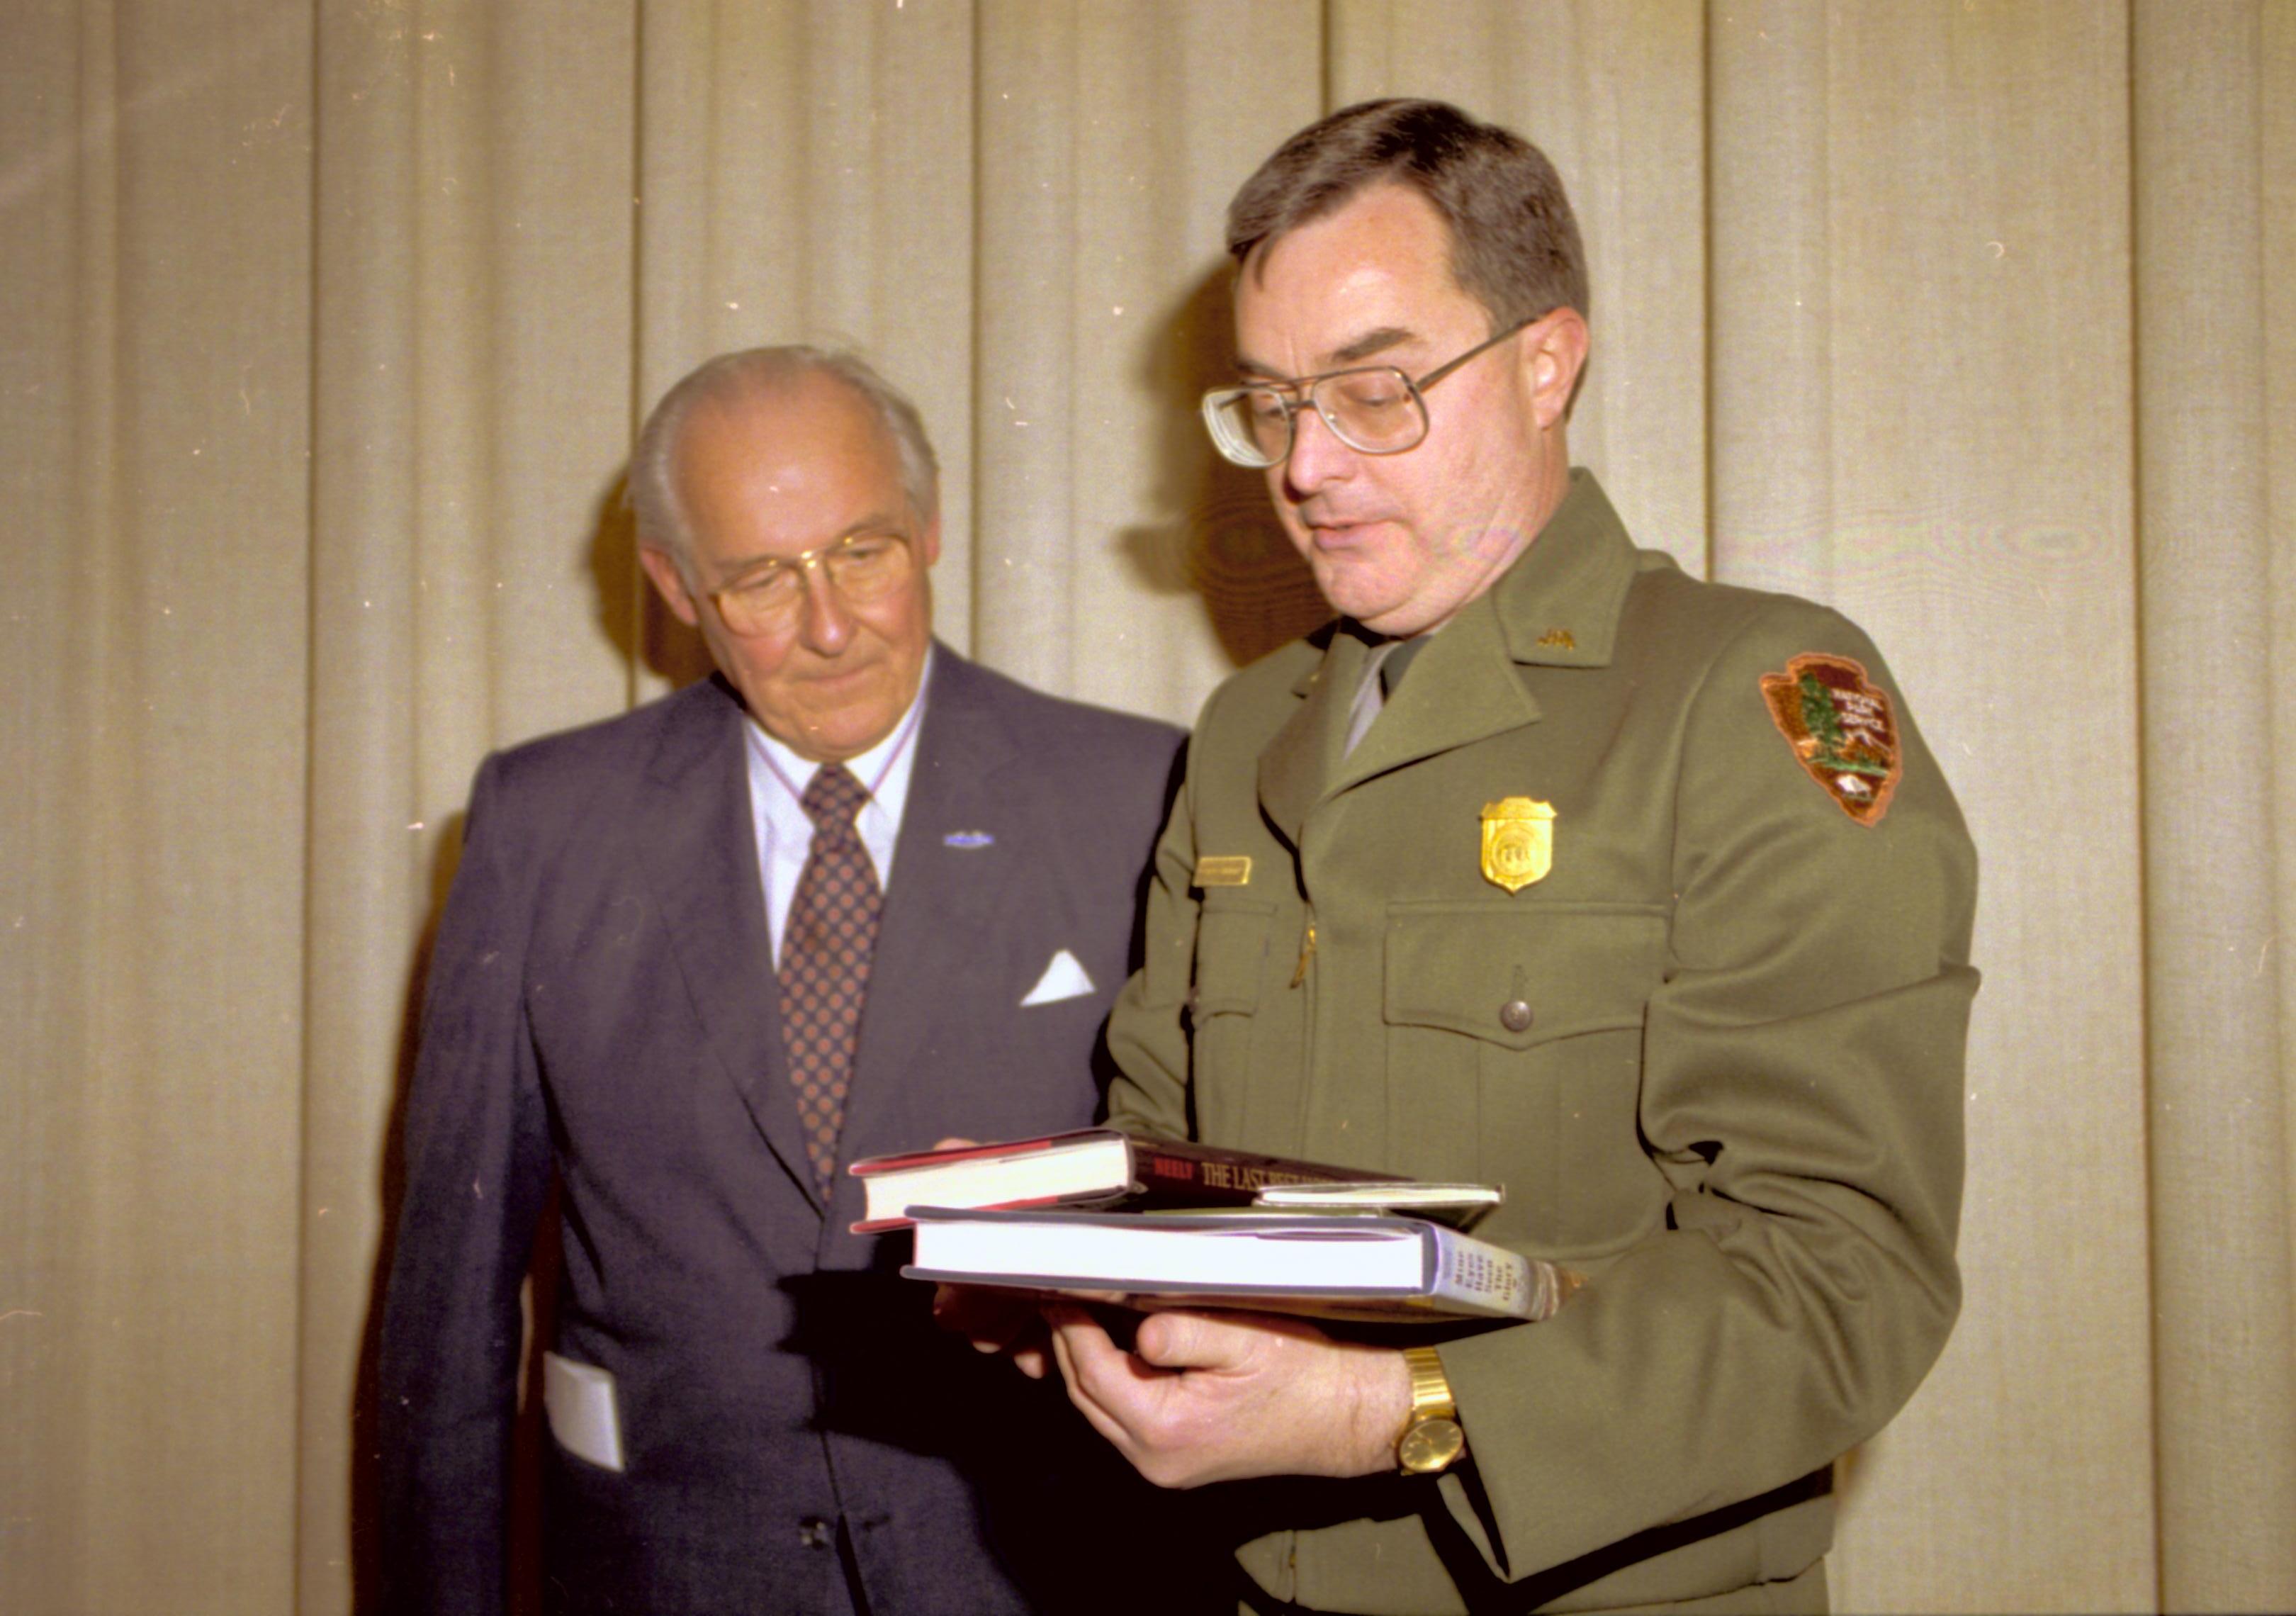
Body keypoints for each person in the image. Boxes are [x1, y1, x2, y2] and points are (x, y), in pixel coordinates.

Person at [1025, 100, 1979, 1613]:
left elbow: (1838, 1277)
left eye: (1375, 389)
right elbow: (1164, 1129)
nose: (1305, 466)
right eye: (1270, 403)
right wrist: (1072, 1283)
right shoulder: (1244, 730)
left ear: (1547, 362)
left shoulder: (1747, 699)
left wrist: (1380, 1413)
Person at [376, 345, 1186, 1615]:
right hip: (664, 1567)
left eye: (861, 552)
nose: (827, 627)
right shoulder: (544, 826)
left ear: (928, 528)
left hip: (1034, 1571)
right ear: (676, 587)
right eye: (760, 578)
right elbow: (449, 1303)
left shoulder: (1141, 796)